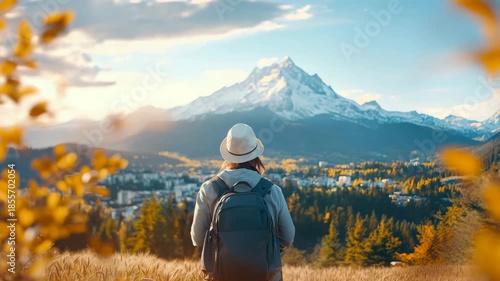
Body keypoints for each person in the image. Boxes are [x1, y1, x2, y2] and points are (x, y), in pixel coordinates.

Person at [191, 123, 295, 281]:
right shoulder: (272, 190)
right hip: (265, 276)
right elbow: (288, 237)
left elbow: (197, 238)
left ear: (228, 155)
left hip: (222, 275)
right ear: (256, 155)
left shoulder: (209, 189)